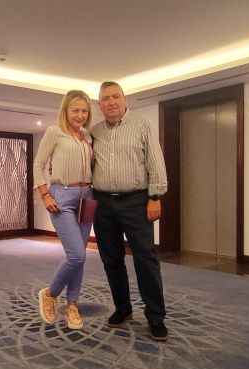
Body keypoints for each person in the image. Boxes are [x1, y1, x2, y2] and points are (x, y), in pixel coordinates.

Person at [90, 81, 169, 341]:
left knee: (145, 258)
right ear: (99, 105)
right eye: (105, 98)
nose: (111, 102)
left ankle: (155, 315)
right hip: (102, 203)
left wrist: (155, 197)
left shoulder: (141, 123)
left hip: (136, 201)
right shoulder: (95, 131)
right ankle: (122, 308)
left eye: (115, 96)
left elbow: (155, 161)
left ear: (125, 100)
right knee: (111, 259)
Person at [33, 90, 94, 330]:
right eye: (75, 110)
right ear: (65, 111)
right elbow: (38, 165)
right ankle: (50, 293)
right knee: (76, 254)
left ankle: (72, 305)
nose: (80, 115)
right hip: (62, 196)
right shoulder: (54, 132)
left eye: (84, 111)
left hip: (87, 197)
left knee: (80, 257)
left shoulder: (87, 137)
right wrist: (44, 194)